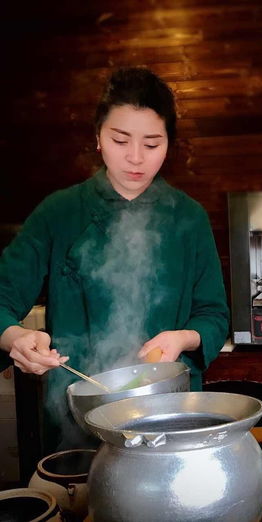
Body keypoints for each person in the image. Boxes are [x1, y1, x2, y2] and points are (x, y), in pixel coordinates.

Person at [0, 67, 229, 452]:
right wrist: (15, 337)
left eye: (152, 144)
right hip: (77, 416)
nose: (136, 158)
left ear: (169, 145)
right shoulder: (59, 213)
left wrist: (182, 337)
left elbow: (214, 315)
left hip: (170, 411)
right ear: (98, 138)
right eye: (120, 140)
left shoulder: (188, 217)